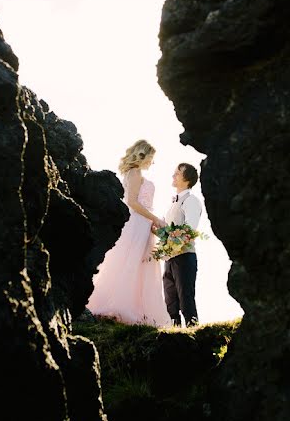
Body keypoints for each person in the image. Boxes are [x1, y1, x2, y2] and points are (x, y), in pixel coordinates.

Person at [87, 140, 171, 326]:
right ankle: (121, 306)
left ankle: (141, 309)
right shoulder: (134, 172)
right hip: (136, 223)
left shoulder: (136, 172)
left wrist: (152, 222)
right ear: (143, 154)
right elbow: (132, 202)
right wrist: (155, 218)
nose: (152, 162)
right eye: (151, 157)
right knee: (130, 262)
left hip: (143, 223)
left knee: (142, 265)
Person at [154, 163, 203, 327]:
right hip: (169, 258)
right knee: (170, 300)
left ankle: (193, 332)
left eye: (177, 173)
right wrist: (158, 231)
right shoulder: (172, 203)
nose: (173, 176)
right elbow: (168, 231)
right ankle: (174, 333)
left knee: (186, 299)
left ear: (187, 179)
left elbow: (189, 230)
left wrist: (172, 240)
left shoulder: (191, 201)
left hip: (185, 257)